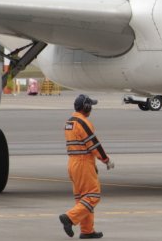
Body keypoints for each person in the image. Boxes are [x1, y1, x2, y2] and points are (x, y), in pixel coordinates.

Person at [59, 94, 113, 239]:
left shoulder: (69, 122)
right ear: (86, 107)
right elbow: (94, 144)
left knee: (82, 198)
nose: (91, 109)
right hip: (83, 164)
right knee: (93, 196)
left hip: (72, 163)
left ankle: (87, 231)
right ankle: (69, 218)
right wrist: (106, 160)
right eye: (91, 106)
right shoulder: (83, 123)